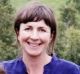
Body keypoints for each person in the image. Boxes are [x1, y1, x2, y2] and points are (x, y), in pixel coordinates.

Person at [1, 1, 80, 74]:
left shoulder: (71, 71)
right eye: (28, 29)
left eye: (42, 30)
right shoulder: (4, 70)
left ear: (51, 36)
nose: (34, 37)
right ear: (18, 33)